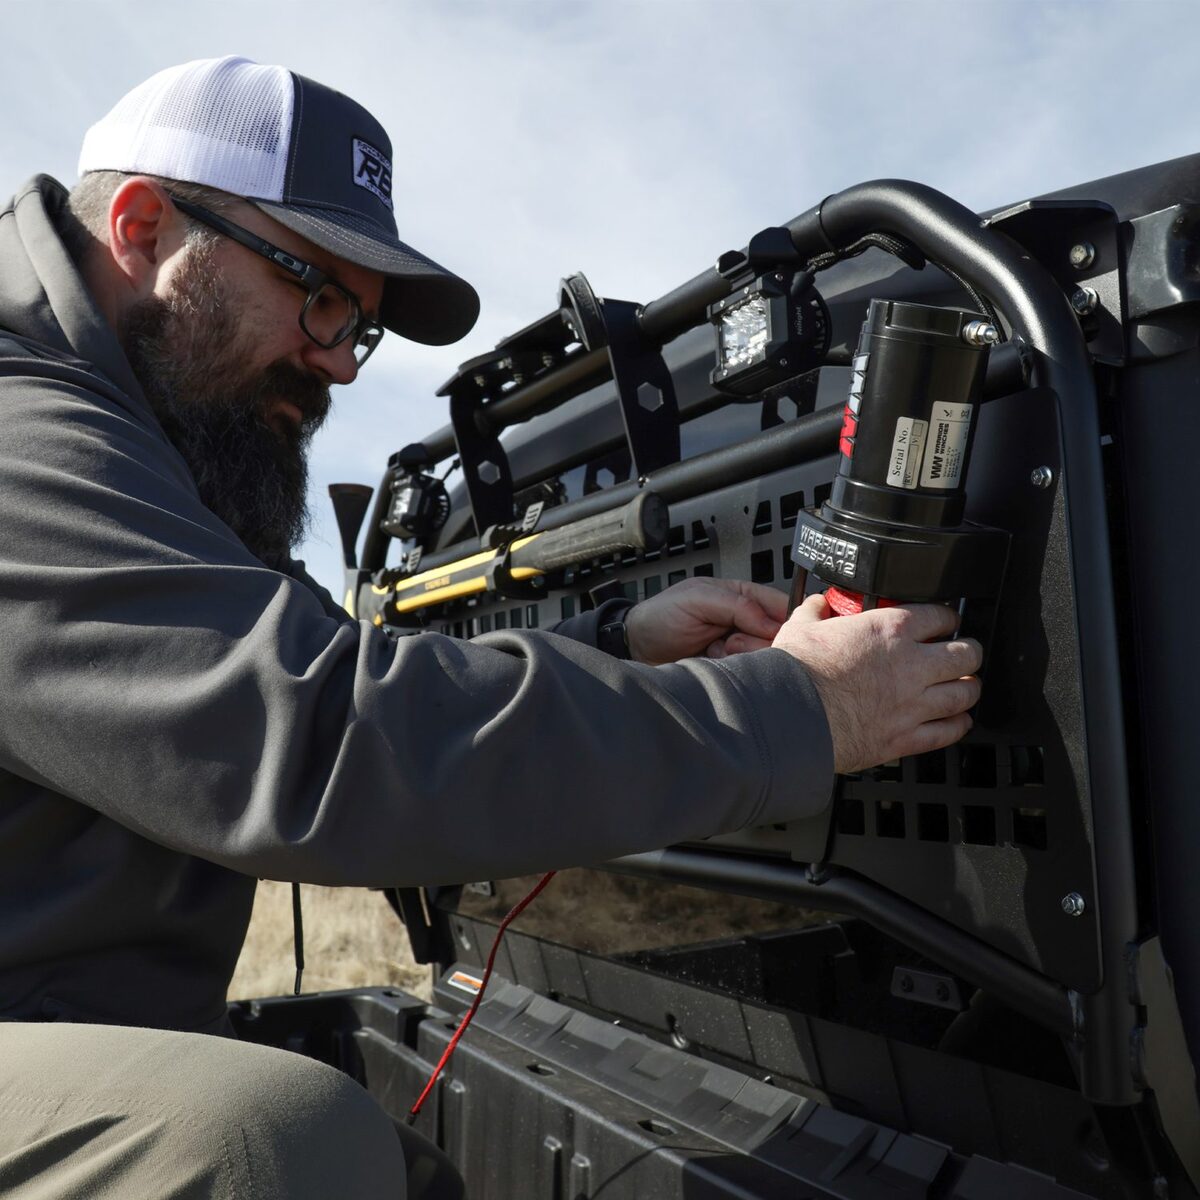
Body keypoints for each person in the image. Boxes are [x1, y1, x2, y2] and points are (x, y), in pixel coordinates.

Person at [0, 56, 981, 1200]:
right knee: (268, 1145)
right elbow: (316, 737)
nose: (335, 365)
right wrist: (803, 709)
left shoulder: (136, 439)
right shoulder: (25, 436)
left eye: (358, 328)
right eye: (317, 294)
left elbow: (321, 660)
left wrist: (609, 649)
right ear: (141, 226)